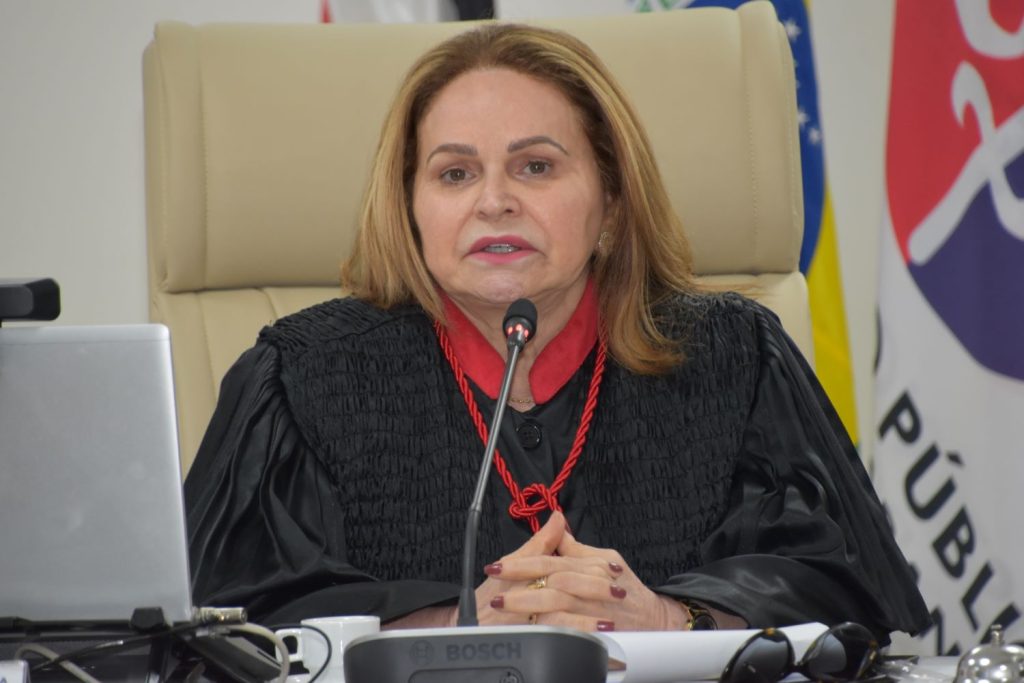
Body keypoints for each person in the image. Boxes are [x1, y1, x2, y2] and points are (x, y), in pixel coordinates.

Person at [184, 22, 930, 641]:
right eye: (454, 174)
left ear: (611, 201)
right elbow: (223, 621)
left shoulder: (734, 355)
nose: (494, 201)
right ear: (409, 208)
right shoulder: (304, 376)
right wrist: (456, 623)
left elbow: (839, 582)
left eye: (536, 166)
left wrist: (671, 619)